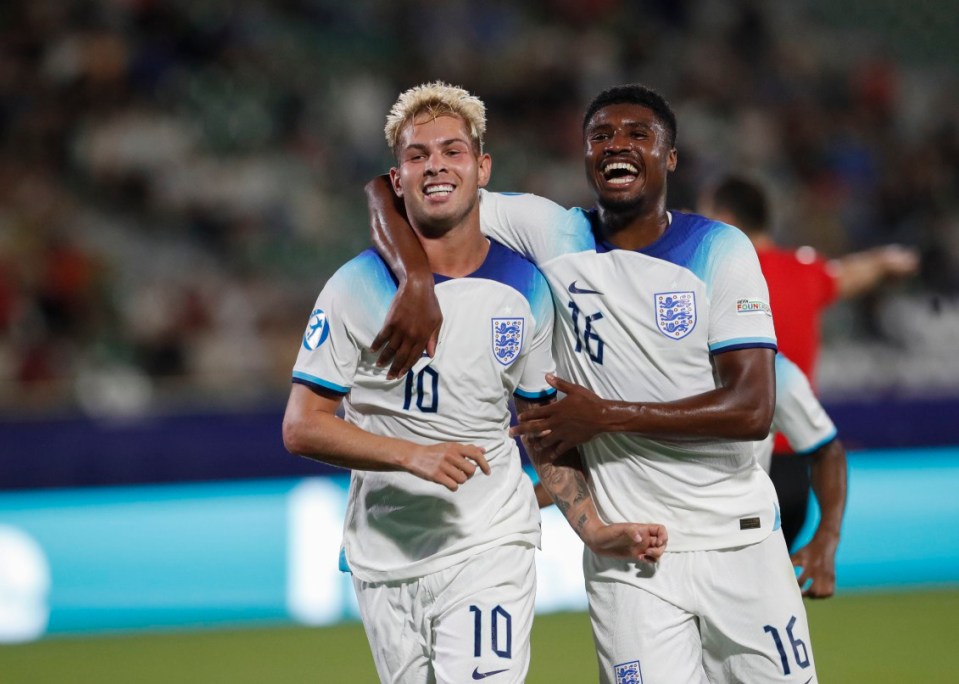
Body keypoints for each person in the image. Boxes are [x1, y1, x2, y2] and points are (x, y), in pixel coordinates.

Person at [368, 84, 818, 683]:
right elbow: (389, 192)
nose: (617, 146)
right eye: (601, 136)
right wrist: (415, 280)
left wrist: (606, 416)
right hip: (631, 558)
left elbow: (752, 408)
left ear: (670, 158)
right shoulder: (550, 231)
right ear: (584, 156)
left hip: (739, 541)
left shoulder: (720, 248)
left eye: (638, 134)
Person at [282, 82, 666, 684]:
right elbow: (302, 426)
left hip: (491, 542)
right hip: (384, 557)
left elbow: (541, 428)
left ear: (482, 167)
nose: (435, 164)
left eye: (452, 150)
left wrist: (591, 527)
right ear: (397, 177)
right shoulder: (354, 287)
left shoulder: (529, 285)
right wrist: (412, 456)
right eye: (418, 155)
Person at [697, 174, 916, 548]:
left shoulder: (708, 275)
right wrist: (885, 262)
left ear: (727, 220)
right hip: (796, 463)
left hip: (735, 460)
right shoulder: (804, 271)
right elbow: (850, 273)